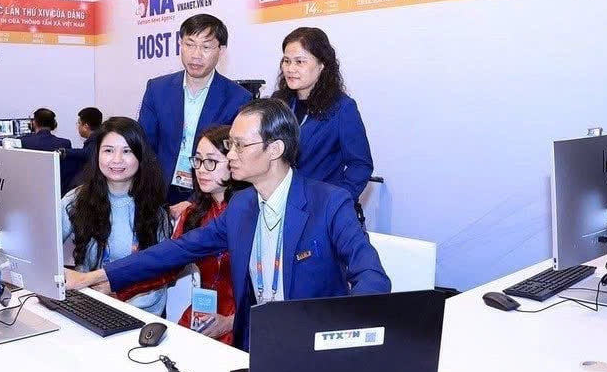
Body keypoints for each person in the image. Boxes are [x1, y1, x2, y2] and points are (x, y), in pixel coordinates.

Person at [67, 99, 390, 350]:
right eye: (230, 145)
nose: (230, 155)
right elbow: (176, 250)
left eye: (239, 145)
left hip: (312, 347)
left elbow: (371, 276)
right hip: (251, 348)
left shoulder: (329, 203)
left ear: (275, 149)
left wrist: (343, 338)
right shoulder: (242, 206)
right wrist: (94, 276)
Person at [117, 125, 242, 344]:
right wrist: (114, 285)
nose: (201, 169)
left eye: (211, 161)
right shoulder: (193, 213)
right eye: (198, 160)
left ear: (234, 161)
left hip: (241, 324)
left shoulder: (251, 213)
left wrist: (232, 321)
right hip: (201, 318)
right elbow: (166, 267)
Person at [60, 117, 171, 316]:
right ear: (97, 154)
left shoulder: (155, 208)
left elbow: (158, 277)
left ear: (140, 156)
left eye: (127, 151)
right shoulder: (76, 199)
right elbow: (44, 247)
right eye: (108, 150)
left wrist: (120, 302)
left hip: (138, 314)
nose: (117, 159)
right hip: (87, 306)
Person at [138, 14, 251, 207]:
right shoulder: (157, 89)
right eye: (189, 44)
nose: (196, 55)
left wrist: (194, 202)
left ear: (221, 50)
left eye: (206, 47)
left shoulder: (238, 98)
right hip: (159, 191)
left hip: (209, 196)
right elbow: (145, 146)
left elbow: (234, 158)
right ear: (180, 44)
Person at [272, 27, 373, 203]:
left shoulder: (342, 108)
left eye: (300, 62)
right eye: (286, 61)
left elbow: (360, 165)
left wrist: (335, 202)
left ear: (321, 65)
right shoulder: (277, 102)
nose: (290, 68)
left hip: (317, 207)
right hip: (277, 204)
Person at [60, 107, 102, 193]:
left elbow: (87, 153)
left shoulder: (96, 140)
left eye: (79, 123)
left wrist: (65, 152)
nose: (78, 126)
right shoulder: (99, 137)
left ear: (86, 126)